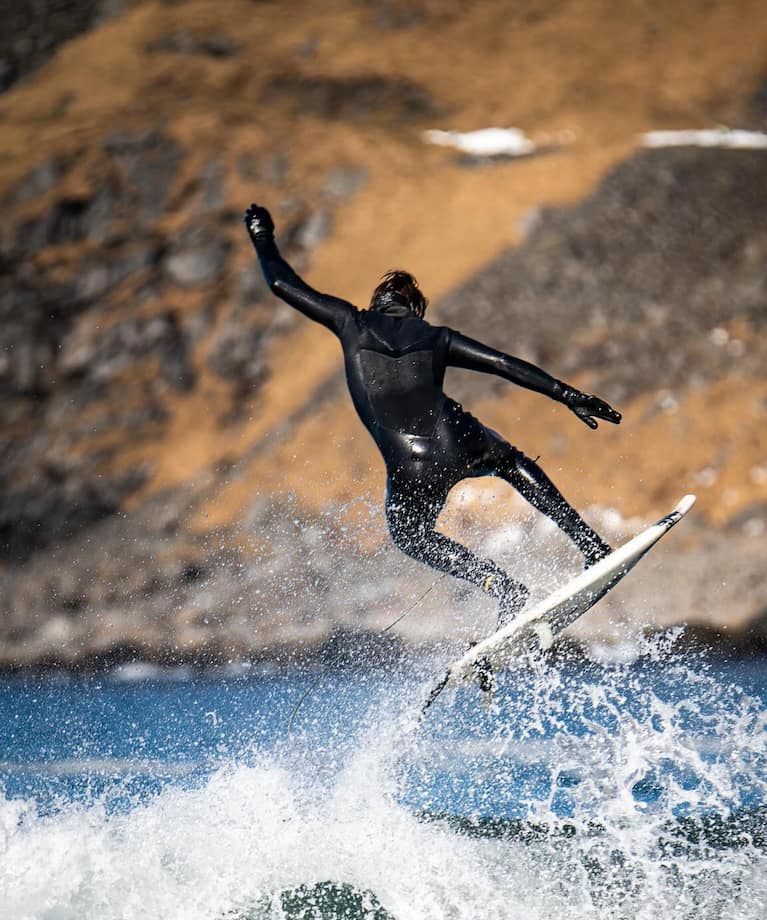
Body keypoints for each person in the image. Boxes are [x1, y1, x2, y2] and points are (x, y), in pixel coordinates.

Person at [243, 203, 621, 626]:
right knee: (511, 463)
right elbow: (502, 363)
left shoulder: (350, 322)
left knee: (409, 535)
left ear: (376, 302)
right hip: (459, 438)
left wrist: (262, 235)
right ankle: (590, 544)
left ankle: (503, 587)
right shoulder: (436, 337)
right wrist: (569, 395)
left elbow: (281, 282)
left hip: (411, 468)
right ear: (415, 309)